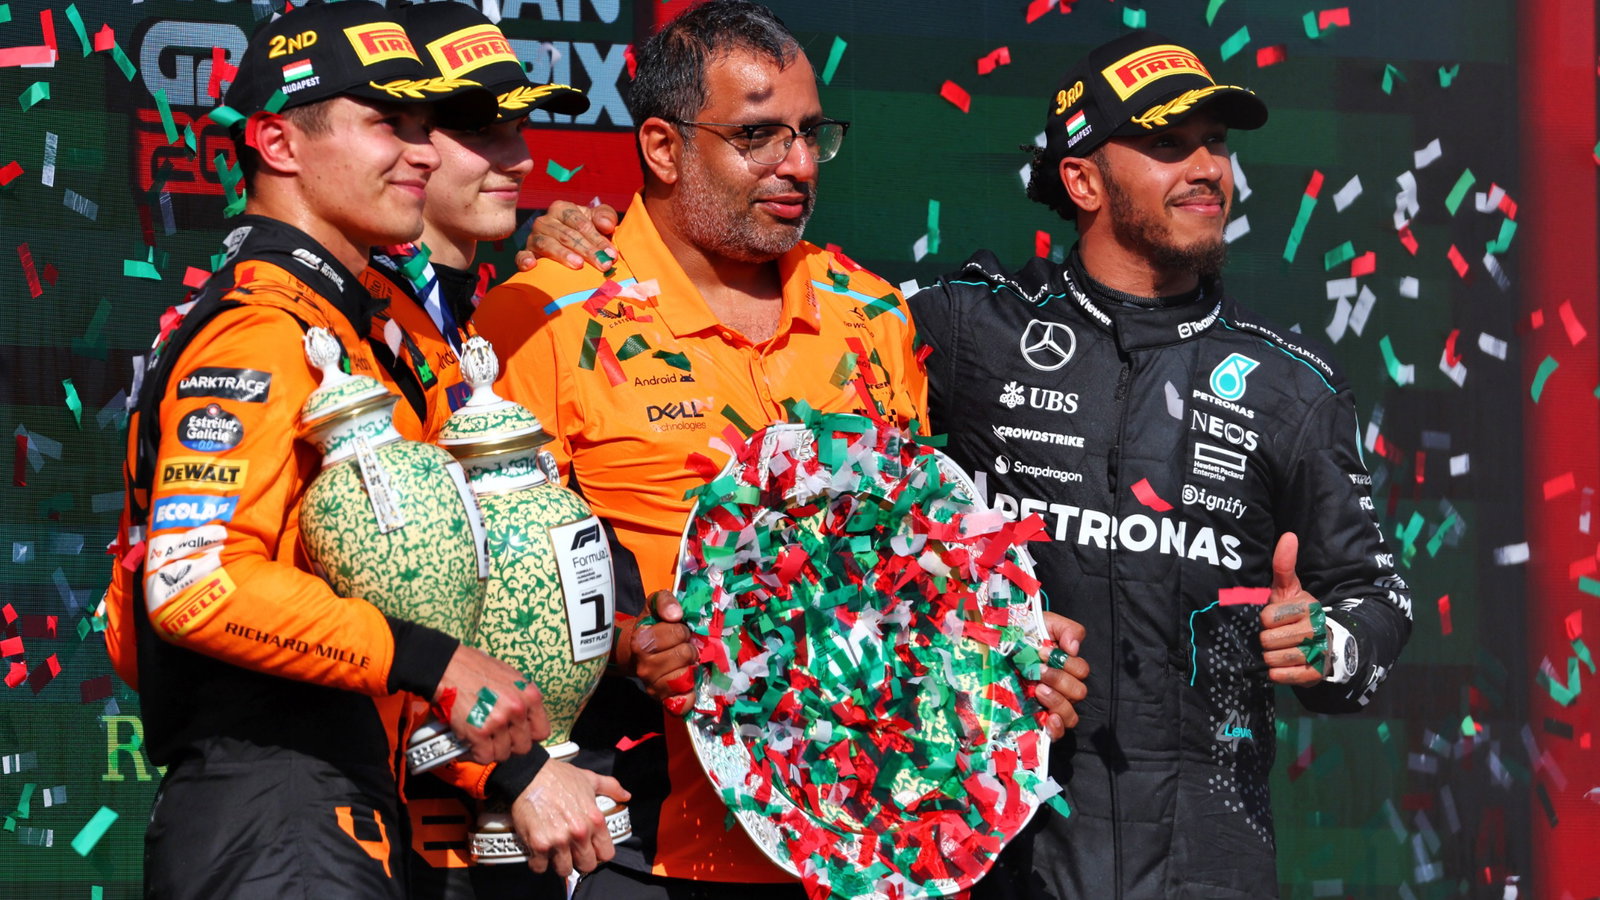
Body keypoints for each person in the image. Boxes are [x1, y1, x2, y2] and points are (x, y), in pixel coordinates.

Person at [525, 29, 1413, 900]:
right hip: (1003, 852)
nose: (1208, 169)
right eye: (1167, 145)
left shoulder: (1293, 387)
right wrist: (587, 230)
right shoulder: (957, 327)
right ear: (1082, 178)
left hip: (1208, 855)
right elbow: (896, 554)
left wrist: (1329, 645)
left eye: (1215, 145)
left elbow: (1379, 602)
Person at [473, 2, 1089, 897]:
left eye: (809, 134)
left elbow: (910, 564)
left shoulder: (871, 313)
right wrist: (626, 644)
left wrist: (1002, 646)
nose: (796, 164)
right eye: (758, 136)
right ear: (660, 147)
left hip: (871, 840)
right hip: (650, 843)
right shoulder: (545, 317)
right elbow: (490, 591)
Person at [100, 3, 548, 895]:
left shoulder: (345, 320)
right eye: (389, 123)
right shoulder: (261, 332)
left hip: (323, 801)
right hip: (273, 807)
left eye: (427, 127)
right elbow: (194, 583)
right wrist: (432, 659)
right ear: (278, 141)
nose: (423, 152)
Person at [359, 4, 627, 896]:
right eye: (483, 132)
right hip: (396, 792)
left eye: (520, 130)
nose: (521, 160)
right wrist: (506, 771)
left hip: (488, 800)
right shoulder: (346, 331)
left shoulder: (482, 313)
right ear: (402, 142)